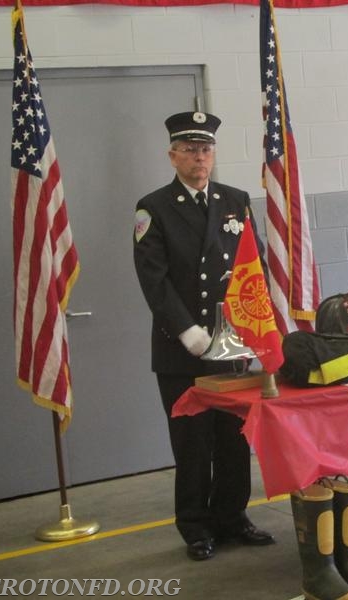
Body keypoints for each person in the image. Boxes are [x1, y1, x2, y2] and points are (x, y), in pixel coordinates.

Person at [133, 111, 274, 561]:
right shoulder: (153, 207)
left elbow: (257, 267)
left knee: (235, 438)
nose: (200, 157)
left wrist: (256, 326)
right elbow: (154, 279)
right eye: (190, 149)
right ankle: (195, 526)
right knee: (193, 442)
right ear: (173, 155)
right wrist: (189, 331)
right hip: (184, 349)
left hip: (232, 346)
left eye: (206, 149)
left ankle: (233, 517)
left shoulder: (235, 200)